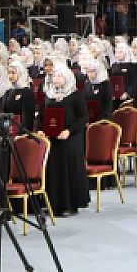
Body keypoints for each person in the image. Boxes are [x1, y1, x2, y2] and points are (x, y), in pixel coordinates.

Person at [42, 61, 89, 217]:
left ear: (68, 77)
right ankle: (53, 204)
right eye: (54, 75)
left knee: (67, 170)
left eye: (59, 75)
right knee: (53, 170)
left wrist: (69, 131)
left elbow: (83, 117)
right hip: (53, 140)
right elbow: (42, 115)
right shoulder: (49, 94)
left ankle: (70, 204)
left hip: (70, 139)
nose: (56, 78)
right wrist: (41, 129)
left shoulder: (75, 95)